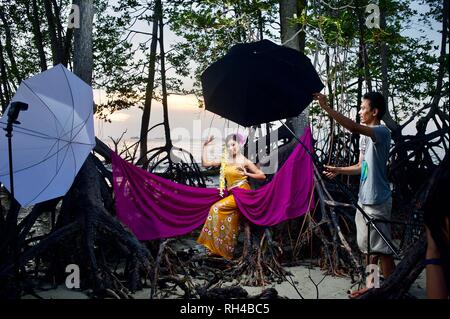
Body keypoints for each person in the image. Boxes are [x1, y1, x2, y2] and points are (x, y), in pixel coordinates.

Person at [313, 91, 395, 297]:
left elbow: (352, 127)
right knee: (367, 248)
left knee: (383, 249)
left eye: (363, 108)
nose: (359, 112)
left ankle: (394, 288)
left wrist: (327, 108)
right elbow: (361, 167)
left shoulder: (382, 132)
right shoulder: (364, 140)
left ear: (374, 112)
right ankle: (372, 285)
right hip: (364, 199)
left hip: (379, 200)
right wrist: (338, 170)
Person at [197, 133, 266, 259]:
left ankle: (215, 248)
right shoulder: (225, 160)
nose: (231, 148)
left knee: (215, 208)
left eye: (233, 145)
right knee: (229, 219)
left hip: (243, 193)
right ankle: (221, 251)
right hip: (233, 194)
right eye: (228, 146)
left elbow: (262, 175)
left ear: (239, 144)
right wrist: (205, 147)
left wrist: (247, 173)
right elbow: (205, 164)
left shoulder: (245, 161)